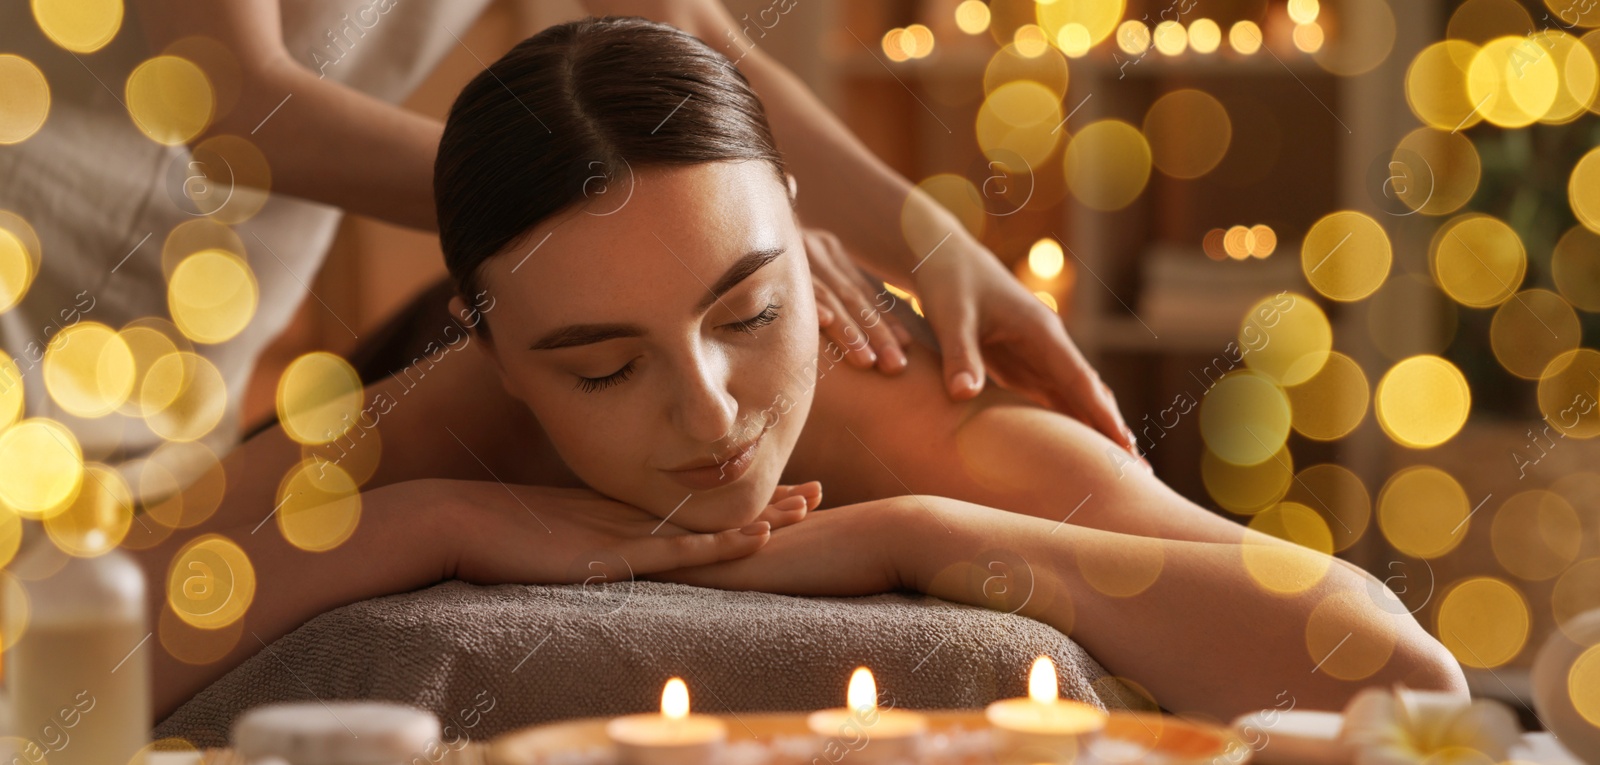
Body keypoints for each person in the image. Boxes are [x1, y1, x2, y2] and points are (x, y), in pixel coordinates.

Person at [130, 15, 1468, 728]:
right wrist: (445, 519)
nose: (712, 415)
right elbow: (49, 653)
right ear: (500, 357)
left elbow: (1399, 681)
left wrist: (913, 535)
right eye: (601, 369)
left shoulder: (899, 408)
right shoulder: (444, 422)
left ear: (803, 248)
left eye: (750, 313)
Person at [0, 0, 1134, 470]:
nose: (712, 410)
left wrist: (933, 241)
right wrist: (626, 216)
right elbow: (229, 105)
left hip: (184, 362)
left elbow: (661, 34)